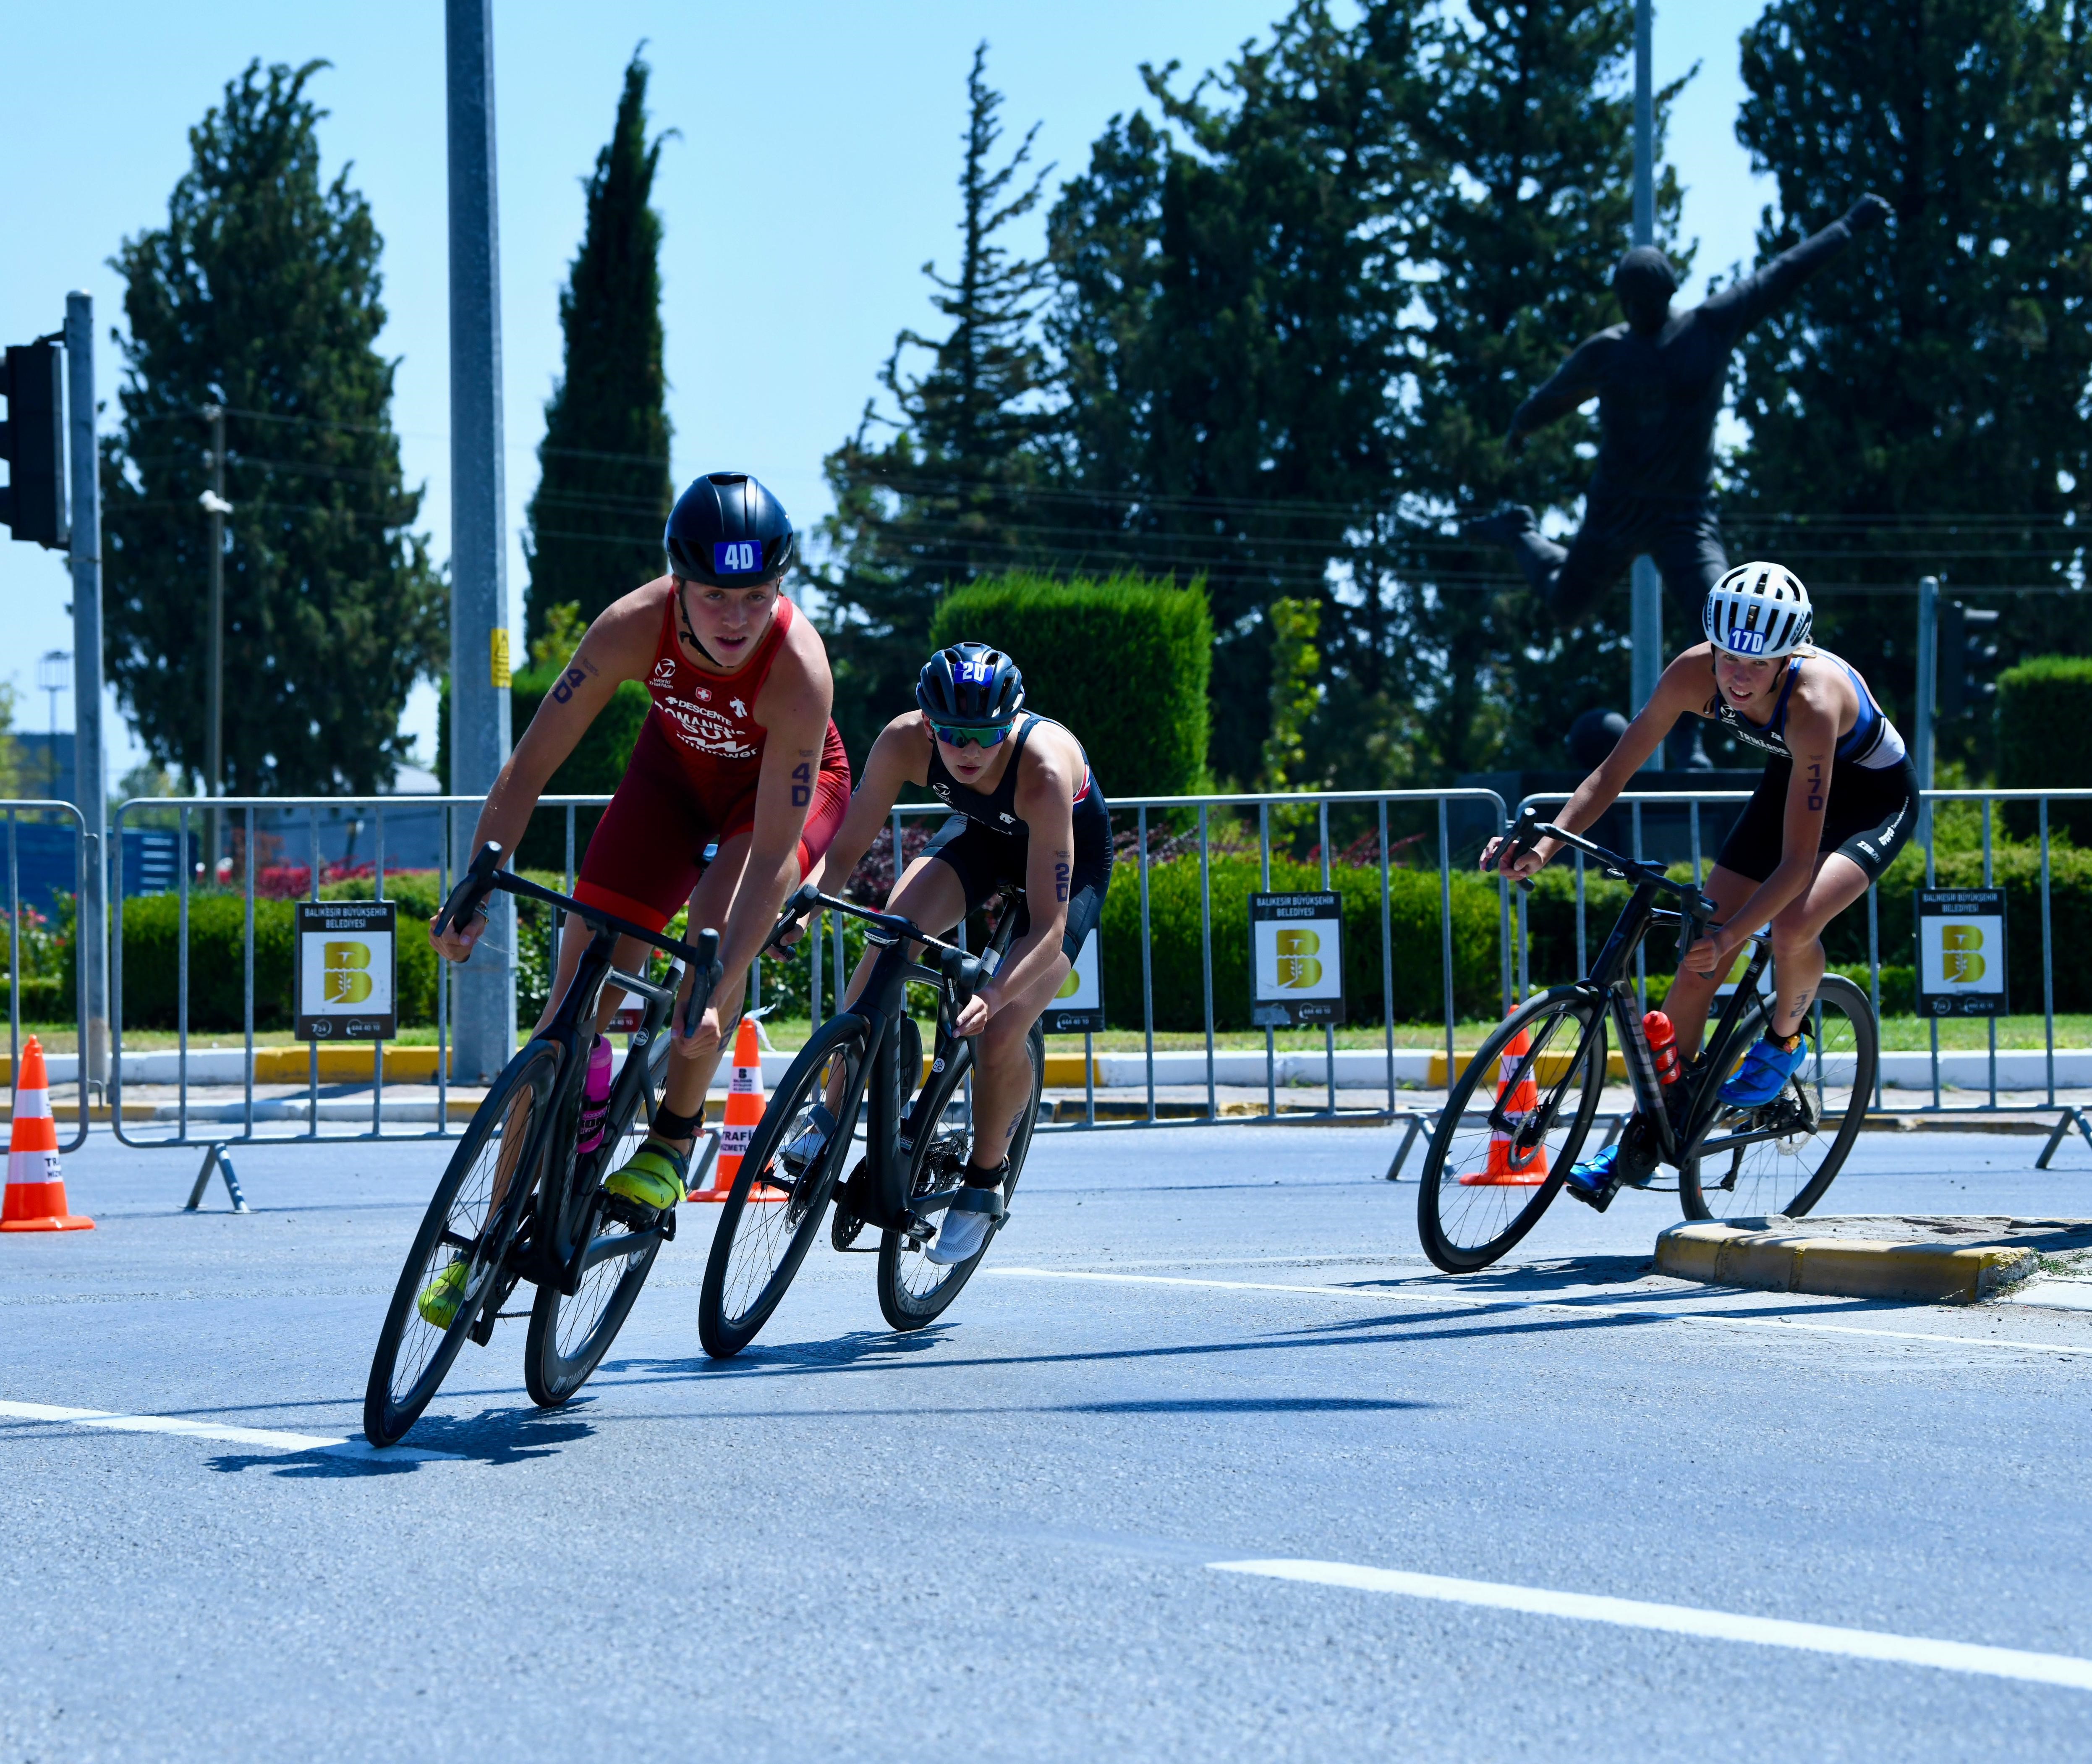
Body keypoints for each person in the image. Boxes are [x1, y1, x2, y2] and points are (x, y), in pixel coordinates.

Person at [424, 472, 851, 1318]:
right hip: (671, 781)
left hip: (768, 807)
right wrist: (476, 874)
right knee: (562, 1016)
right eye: (716, 595)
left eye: (757, 596)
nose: (736, 617)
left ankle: (667, 1142)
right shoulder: (629, 626)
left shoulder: (798, 672)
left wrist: (722, 977)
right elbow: (531, 765)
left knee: (708, 951)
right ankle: (489, 1240)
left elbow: (772, 854)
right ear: (678, 586)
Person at [1484, 560, 1918, 1207]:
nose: (1738, 677)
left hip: (1871, 801)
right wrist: (1547, 844)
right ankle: (1651, 1127)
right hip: (1790, 782)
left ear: (1787, 658)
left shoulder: (1812, 703)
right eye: (1728, 659)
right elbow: (1612, 772)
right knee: (1696, 965)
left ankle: (1784, 1041)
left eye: (1757, 664)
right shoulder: (1692, 673)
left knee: (1792, 923)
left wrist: (1738, 933)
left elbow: (1798, 865)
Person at [792, 642, 1112, 1265]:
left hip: (1064, 866)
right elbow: (850, 844)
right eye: (952, 734)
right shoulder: (902, 741)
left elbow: (1047, 928)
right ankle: (828, 1112)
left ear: (1011, 723)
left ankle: (984, 1180)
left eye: (986, 735)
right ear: (927, 722)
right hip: (982, 839)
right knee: (892, 933)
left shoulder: (1043, 771)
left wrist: (993, 994)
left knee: (1000, 1031)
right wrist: (809, 900)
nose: (967, 751)